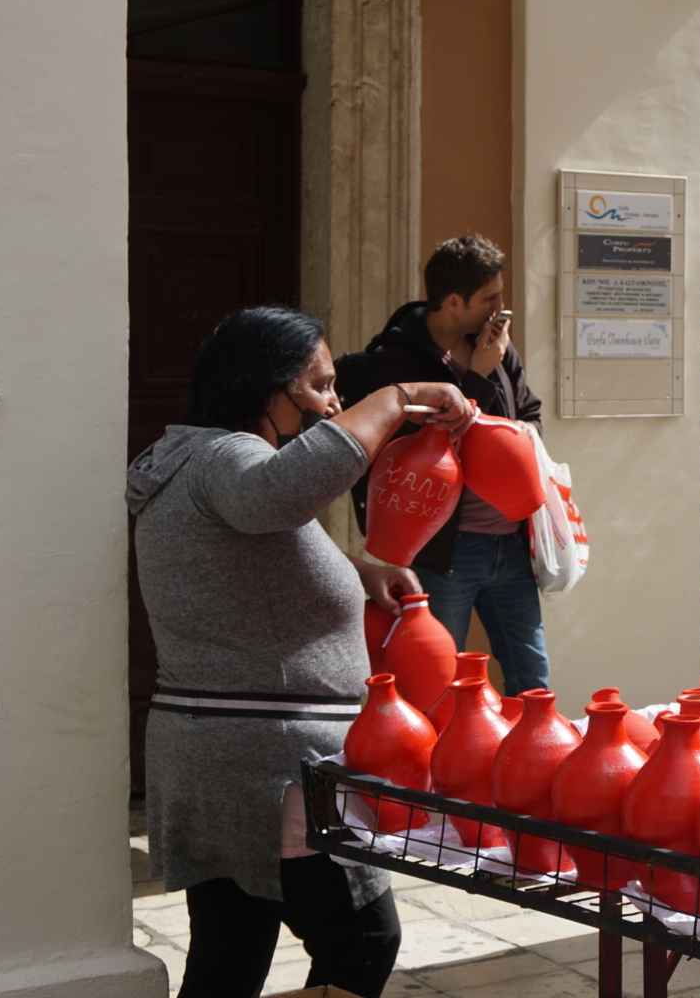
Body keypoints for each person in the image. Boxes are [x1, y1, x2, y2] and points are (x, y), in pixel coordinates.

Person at [127, 306, 471, 998]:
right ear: (267, 388)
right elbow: (278, 495)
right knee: (365, 941)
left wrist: (355, 570)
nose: (333, 402)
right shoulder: (230, 458)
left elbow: (243, 556)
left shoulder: (187, 461)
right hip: (271, 767)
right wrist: (395, 399)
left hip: (215, 757)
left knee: (229, 954)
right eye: (319, 386)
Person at [336, 234, 548, 695]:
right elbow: (427, 455)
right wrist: (479, 377)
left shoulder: (496, 346)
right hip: (447, 551)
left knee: (533, 682)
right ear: (454, 301)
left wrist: (521, 431)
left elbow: (530, 417)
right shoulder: (398, 363)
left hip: (510, 544)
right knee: (436, 685)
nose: (500, 306)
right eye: (490, 297)